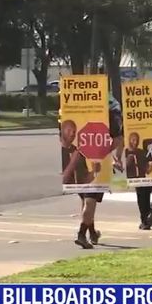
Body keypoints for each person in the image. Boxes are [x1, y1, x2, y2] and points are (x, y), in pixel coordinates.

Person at [62, 102, 123, 250]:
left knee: (86, 199)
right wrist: (110, 154)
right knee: (90, 201)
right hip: (96, 162)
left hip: (77, 159)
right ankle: (81, 234)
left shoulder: (72, 107)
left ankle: (92, 232)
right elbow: (119, 139)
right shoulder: (110, 112)